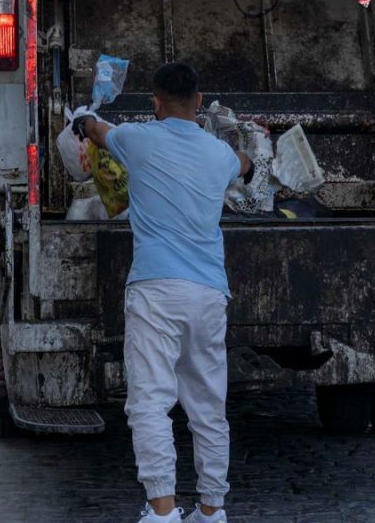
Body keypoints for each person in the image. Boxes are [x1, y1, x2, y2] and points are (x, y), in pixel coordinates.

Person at [73, 63, 251, 523]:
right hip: (209, 292)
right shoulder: (219, 155)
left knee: (150, 402)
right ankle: (212, 511)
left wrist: (80, 117)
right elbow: (246, 165)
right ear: (199, 100)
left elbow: (96, 131)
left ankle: (163, 510)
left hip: (155, 290)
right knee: (209, 408)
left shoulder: (139, 139)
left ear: (154, 102)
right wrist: (251, 149)